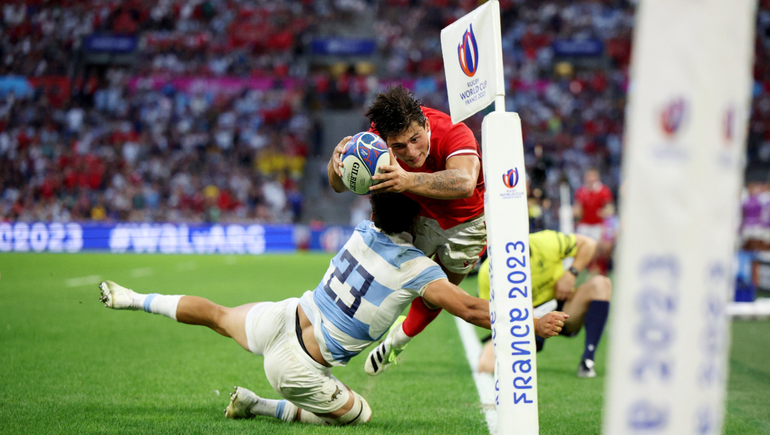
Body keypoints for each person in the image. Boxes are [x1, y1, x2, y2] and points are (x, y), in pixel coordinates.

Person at [98, 192, 567, 426]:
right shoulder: (418, 271)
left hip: (284, 316)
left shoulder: (363, 229)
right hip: (298, 367)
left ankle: (134, 298)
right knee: (359, 414)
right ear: (418, 220)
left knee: (218, 315)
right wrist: (532, 320)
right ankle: (259, 405)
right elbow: (469, 308)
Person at [327, 85, 487, 374]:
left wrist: (408, 180)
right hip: (417, 214)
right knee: (384, 276)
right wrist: (336, 162)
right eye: (399, 146)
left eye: (416, 139)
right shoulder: (375, 137)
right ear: (386, 141)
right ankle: (337, 337)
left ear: (425, 124)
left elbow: (464, 183)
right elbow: (338, 186)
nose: (411, 152)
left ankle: (398, 340)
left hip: (468, 224)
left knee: (439, 292)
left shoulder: (453, 131)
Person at [476, 230, 611, 378]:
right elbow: (489, 313)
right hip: (522, 321)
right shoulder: (488, 272)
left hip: (561, 307)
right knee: (485, 366)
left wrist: (571, 273)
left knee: (601, 284)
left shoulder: (545, 242)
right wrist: (519, 315)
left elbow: (589, 244)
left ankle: (588, 360)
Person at [573, 168, 615, 274]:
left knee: (598, 248)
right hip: (584, 225)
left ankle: (598, 267)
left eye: (593, 176)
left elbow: (610, 208)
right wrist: (576, 212)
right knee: (583, 247)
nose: (591, 179)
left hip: (597, 225)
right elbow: (578, 207)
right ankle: (586, 268)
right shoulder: (581, 192)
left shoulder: (603, 191)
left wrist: (605, 212)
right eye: (589, 176)